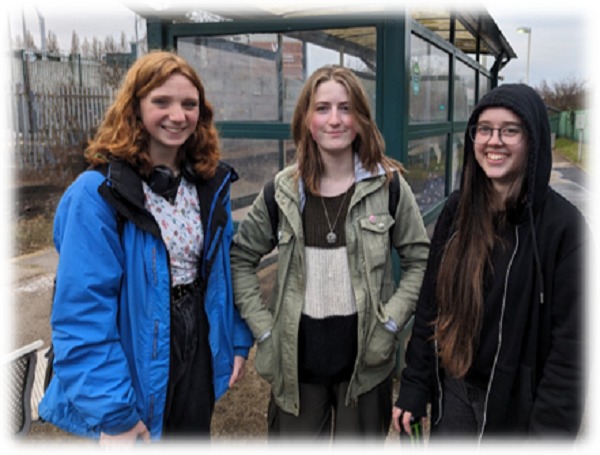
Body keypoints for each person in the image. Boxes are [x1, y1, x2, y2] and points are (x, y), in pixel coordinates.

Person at [38, 51, 254, 445]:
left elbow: (223, 270)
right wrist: (114, 414)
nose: (178, 115)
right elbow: (82, 311)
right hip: (136, 340)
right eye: (161, 102)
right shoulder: (97, 194)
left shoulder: (208, 185)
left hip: (197, 339)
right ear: (135, 108)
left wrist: (236, 338)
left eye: (189, 104)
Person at [230, 65, 430, 441]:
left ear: (360, 119)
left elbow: (420, 259)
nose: (334, 120)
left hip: (366, 366)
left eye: (345, 108)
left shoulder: (388, 187)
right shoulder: (281, 191)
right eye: (322, 108)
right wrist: (265, 329)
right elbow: (240, 258)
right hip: (296, 369)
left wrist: (391, 323)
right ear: (306, 118)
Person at [392, 84, 587, 442]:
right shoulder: (457, 210)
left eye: (510, 130)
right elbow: (430, 306)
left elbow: (572, 350)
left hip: (518, 410)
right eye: (485, 129)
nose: (494, 140)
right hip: (454, 395)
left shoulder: (565, 229)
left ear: (533, 139)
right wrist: (415, 384)